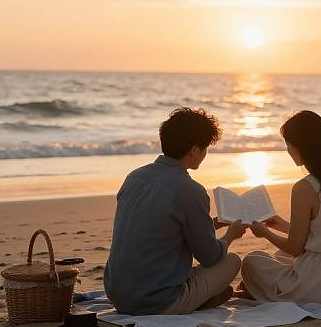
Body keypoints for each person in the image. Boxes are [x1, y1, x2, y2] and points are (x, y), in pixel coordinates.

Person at [104, 107, 246, 315]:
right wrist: (231, 234)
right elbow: (210, 257)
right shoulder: (190, 190)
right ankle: (193, 301)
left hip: (118, 296)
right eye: (205, 148)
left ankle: (200, 297)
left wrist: (210, 225)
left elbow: (158, 227)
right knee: (232, 261)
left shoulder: (134, 177)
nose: (205, 154)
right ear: (194, 150)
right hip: (157, 301)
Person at [240, 110, 321, 304]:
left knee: (252, 261)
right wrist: (278, 224)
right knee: (278, 256)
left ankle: (264, 290)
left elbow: (294, 248)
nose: (288, 150)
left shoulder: (304, 188)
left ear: (301, 147)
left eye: (288, 144)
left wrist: (264, 231)